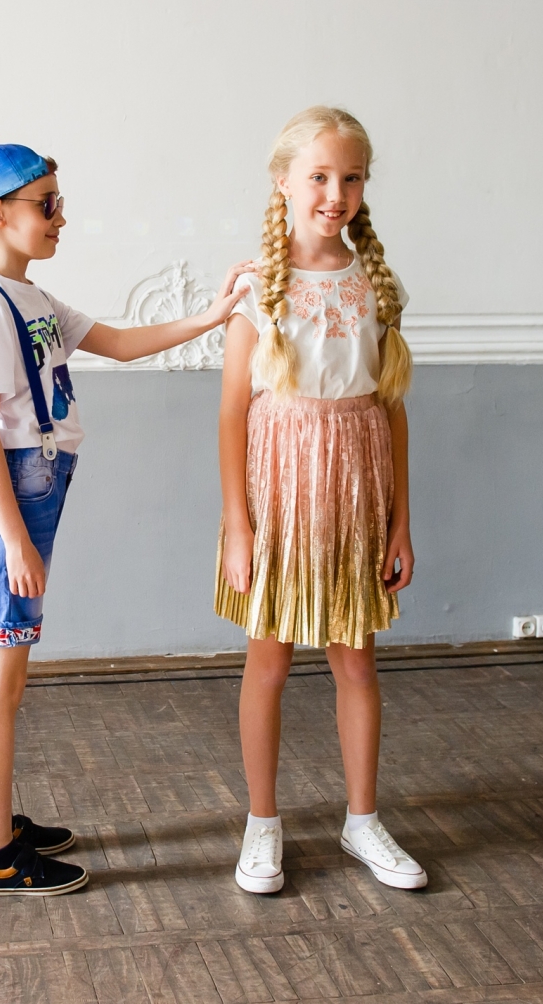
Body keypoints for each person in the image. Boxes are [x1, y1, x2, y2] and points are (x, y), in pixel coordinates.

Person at [0, 143, 248, 897]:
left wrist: (213, 315)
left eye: (60, 202)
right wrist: (14, 537)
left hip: (34, 490)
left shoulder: (32, 298)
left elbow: (118, 344)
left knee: (11, 672)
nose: (61, 217)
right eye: (46, 203)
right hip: (9, 500)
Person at [214, 106, 425, 895]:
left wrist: (401, 519)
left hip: (357, 490)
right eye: (319, 177)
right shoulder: (258, 291)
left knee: (356, 659)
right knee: (267, 659)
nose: (336, 194)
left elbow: (392, 407)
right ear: (284, 182)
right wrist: (238, 523)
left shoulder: (374, 286)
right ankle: (262, 822)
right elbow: (233, 415)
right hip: (279, 494)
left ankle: (363, 818)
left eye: (351, 178)